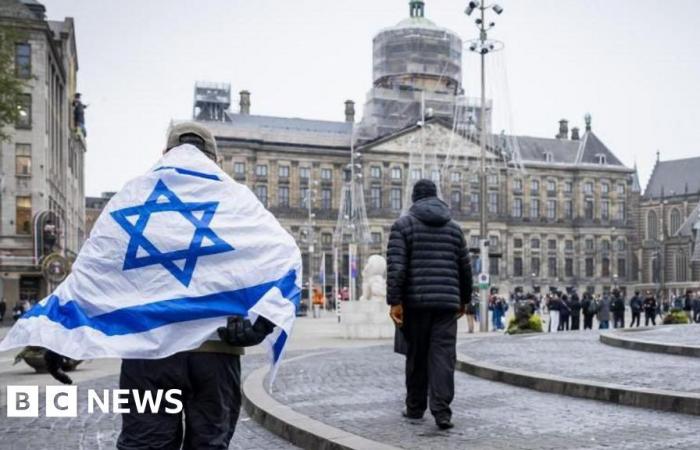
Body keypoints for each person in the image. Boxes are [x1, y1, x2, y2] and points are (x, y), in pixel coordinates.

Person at [117, 122, 277, 450]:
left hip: (150, 354)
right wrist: (259, 325)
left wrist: (58, 339)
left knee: (145, 445)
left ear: (164, 155)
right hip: (215, 355)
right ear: (216, 161)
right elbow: (278, 265)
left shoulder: (134, 199)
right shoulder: (240, 206)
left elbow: (98, 270)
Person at [387, 179, 472, 430]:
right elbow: (465, 269)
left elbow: (397, 268)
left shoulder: (402, 226)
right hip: (446, 304)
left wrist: (395, 302)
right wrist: (464, 300)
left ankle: (415, 408)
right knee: (443, 357)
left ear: (414, 199)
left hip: (415, 304)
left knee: (417, 355)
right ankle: (442, 412)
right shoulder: (455, 229)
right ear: (436, 197)